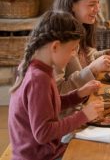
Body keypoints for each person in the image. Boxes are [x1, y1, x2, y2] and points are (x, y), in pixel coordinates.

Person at [8, 11, 104, 160]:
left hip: (46, 152)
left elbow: (48, 107)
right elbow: (43, 133)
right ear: (55, 46)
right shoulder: (38, 79)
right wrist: (83, 116)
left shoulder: (39, 69)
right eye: (72, 49)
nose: (73, 55)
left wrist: (78, 94)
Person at [53, 0, 110, 94]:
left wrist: (108, 54)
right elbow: (57, 92)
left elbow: (84, 59)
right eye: (92, 4)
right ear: (72, 5)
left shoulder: (81, 26)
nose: (97, 9)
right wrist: (93, 69)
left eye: (98, 3)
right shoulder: (60, 39)